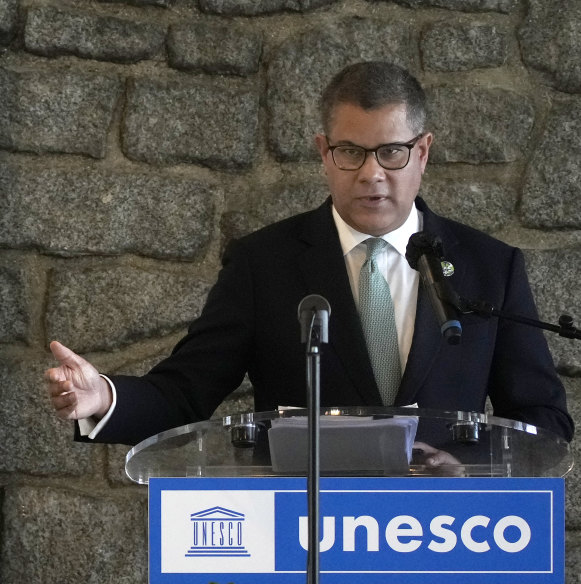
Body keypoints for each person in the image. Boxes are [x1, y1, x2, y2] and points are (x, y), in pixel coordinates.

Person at [45, 61, 574, 448]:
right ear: (324, 153)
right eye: (351, 152)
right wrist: (103, 399)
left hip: (447, 534)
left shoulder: (489, 266)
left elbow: (542, 418)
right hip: (308, 536)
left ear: (423, 151)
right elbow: (185, 392)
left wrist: (468, 463)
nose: (372, 173)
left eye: (392, 152)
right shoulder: (263, 265)